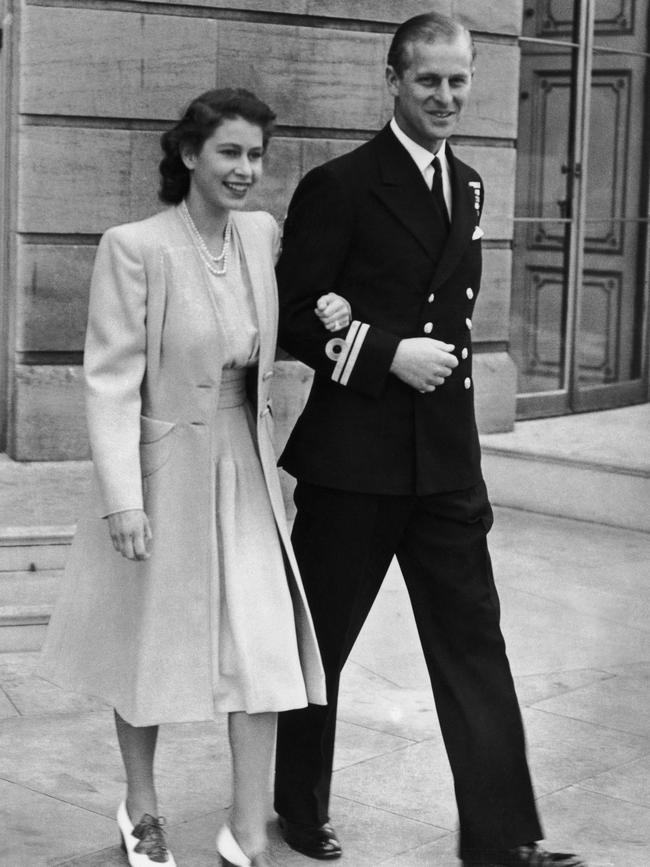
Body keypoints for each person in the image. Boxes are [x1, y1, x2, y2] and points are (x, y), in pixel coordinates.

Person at [273, 14, 587, 867]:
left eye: (458, 81)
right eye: (428, 81)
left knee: (475, 646)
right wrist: (382, 352)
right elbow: (296, 316)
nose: (445, 97)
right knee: (320, 646)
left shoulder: (475, 185)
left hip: (445, 464)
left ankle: (502, 838)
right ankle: (297, 806)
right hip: (353, 466)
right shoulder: (340, 186)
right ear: (393, 81)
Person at [39, 87, 351, 867]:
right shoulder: (135, 246)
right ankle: (140, 808)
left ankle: (247, 829)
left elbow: (302, 305)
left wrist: (336, 306)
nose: (247, 170)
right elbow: (110, 378)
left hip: (244, 463)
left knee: (262, 648)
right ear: (188, 155)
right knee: (145, 649)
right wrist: (123, 498)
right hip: (163, 467)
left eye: (256, 155)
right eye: (230, 153)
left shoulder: (259, 234)